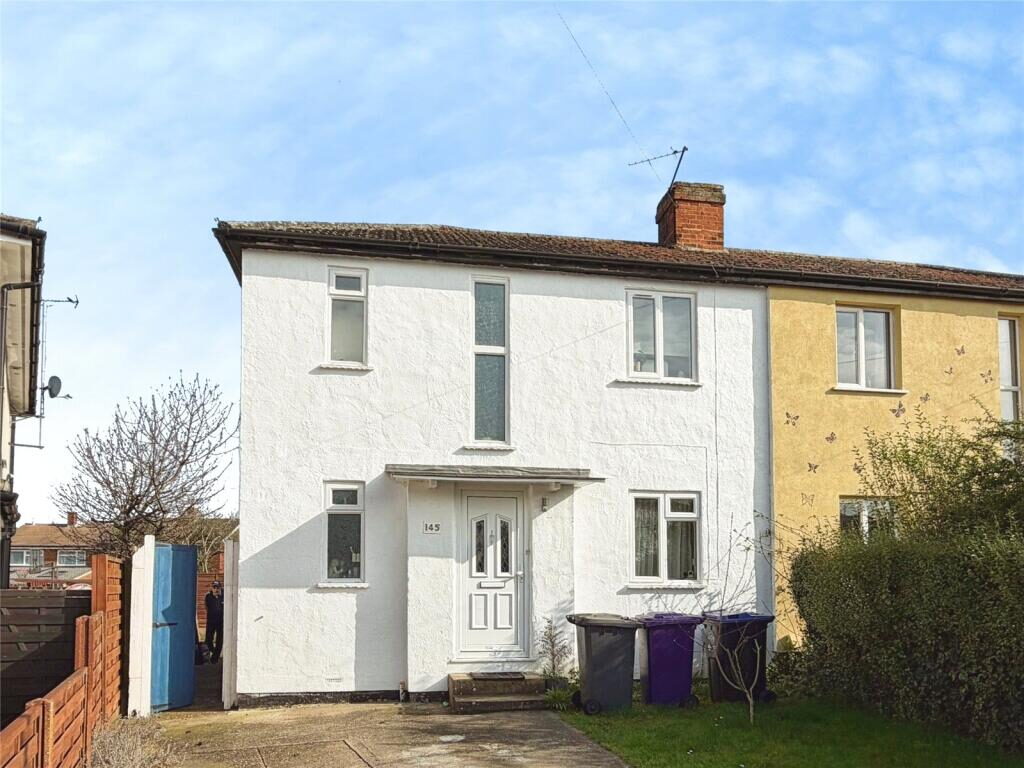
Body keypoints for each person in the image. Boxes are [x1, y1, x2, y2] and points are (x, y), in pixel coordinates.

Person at [204, 580, 224, 663]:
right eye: (214, 587)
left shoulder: (223, 596)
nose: (216, 589)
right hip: (211, 621)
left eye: (217, 587)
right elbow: (206, 607)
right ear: (212, 588)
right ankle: (213, 651)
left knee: (219, 640)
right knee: (208, 639)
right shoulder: (208, 597)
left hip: (220, 621)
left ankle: (215, 658)